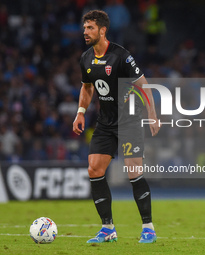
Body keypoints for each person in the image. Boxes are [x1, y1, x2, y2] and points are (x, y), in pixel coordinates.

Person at [73, 10, 160, 244]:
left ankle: (148, 228)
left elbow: (144, 85)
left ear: (102, 30)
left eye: (90, 28)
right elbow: (87, 87)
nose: (85, 32)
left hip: (129, 121)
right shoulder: (86, 58)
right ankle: (107, 228)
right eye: (84, 28)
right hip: (106, 122)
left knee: (134, 171)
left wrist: (152, 114)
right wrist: (80, 112)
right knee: (94, 169)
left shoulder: (121, 56)